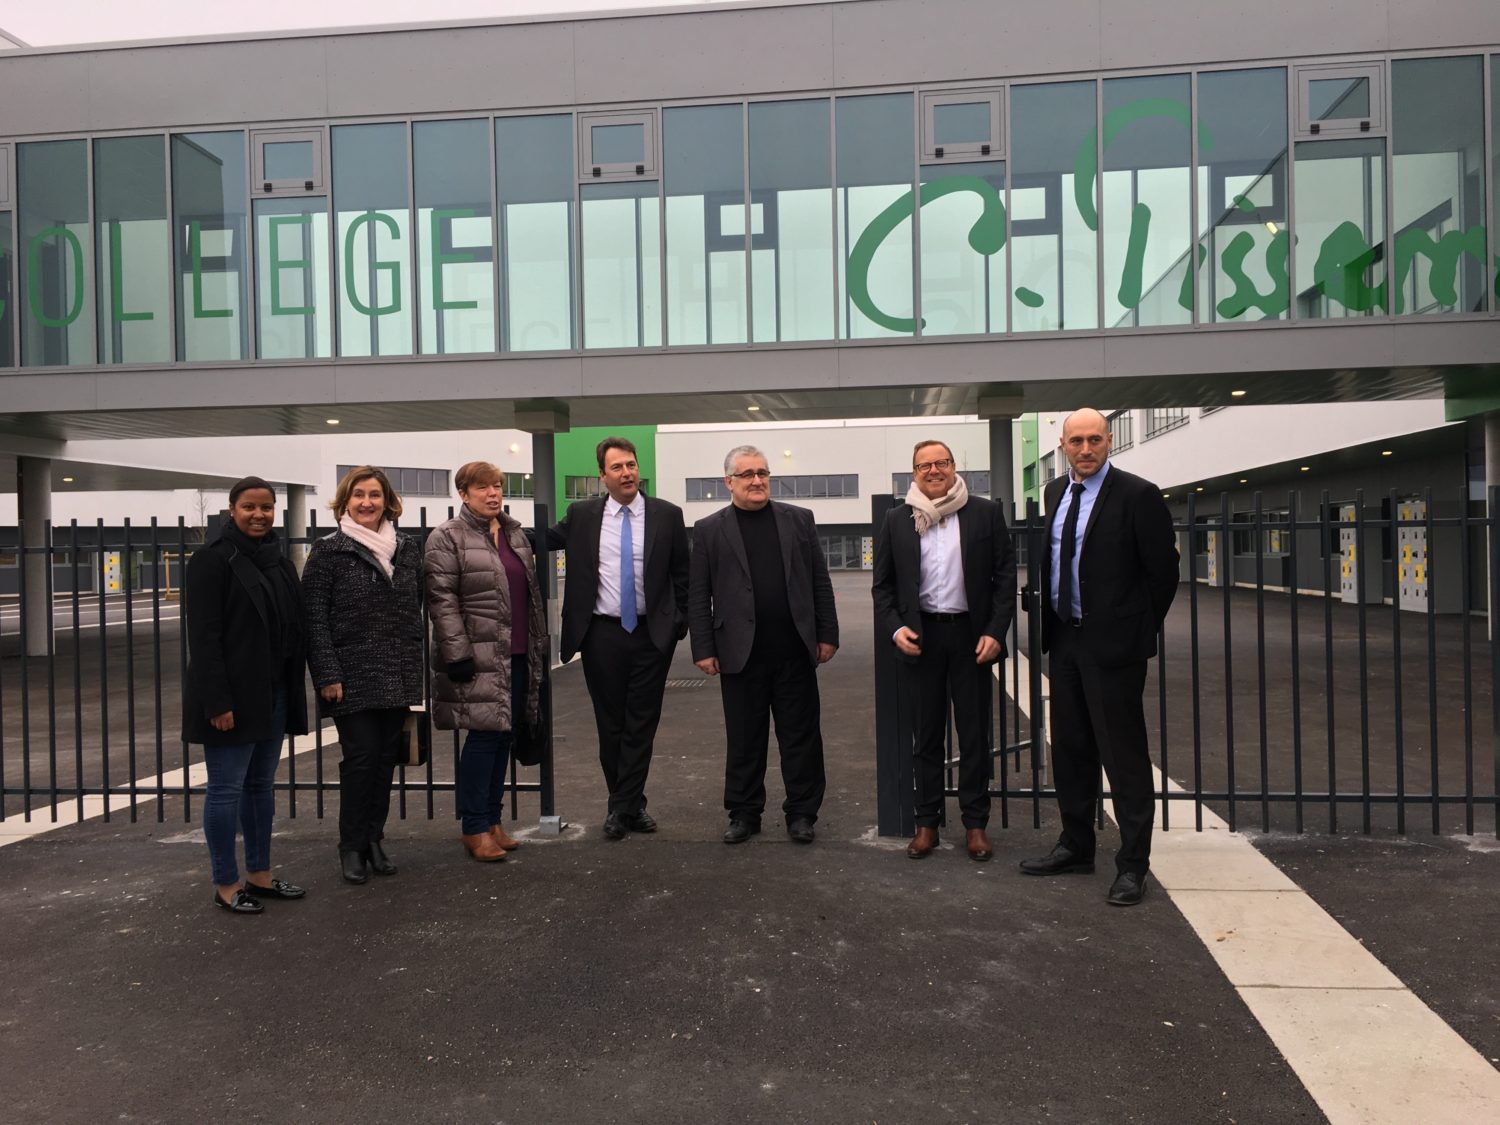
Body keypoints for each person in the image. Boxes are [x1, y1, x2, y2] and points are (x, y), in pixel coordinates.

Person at [1020, 408, 1179, 906]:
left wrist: (1135, 630)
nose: (1085, 449)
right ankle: (1076, 845)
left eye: (1094, 440)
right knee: (1069, 749)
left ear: (1109, 441)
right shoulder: (1054, 494)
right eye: (1075, 441)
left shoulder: (1138, 495)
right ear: (1062, 445)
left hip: (1113, 647)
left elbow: (1163, 574)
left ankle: (1133, 864)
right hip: (1064, 640)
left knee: (1123, 757)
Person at [872, 440, 1016, 862]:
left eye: (941, 463)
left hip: (971, 638)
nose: (933, 470)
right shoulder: (898, 520)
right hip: (922, 639)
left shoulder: (984, 513)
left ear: (954, 467)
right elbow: (883, 586)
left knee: (974, 737)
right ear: (913, 472)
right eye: (924, 465)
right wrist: (895, 627)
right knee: (927, 737)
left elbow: (1005, 578)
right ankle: (926, 824)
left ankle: (975, 826)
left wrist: (996, 631)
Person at [689, 445, 838, 845]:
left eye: (763, 473)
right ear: (729, 482)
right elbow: (698, 593)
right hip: (739, 652)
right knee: (744, 737)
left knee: (801, 738)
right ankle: (744, 813)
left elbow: (818, 581)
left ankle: (802, 813)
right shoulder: (708, 529)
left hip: (794, 649)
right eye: (748, 474)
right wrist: (702, 646)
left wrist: (828, 634)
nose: (757, 481)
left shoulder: (798, 520)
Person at [542, 437, 689, 840]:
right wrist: (495, 522)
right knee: (611, 724)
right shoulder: (583, 515)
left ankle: (620, 809)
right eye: (618, 467)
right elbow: (541, 540)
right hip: (601, 634)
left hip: (650, 635)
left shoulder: (667, 515)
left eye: (631, 465)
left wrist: (678, 623)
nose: (627, 473)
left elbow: (683, 574)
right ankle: (630, 805)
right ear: (603, 476)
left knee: (642, 724)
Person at [182, 476, 310, 915]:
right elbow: (204, 640)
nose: (259, 515)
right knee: (225, 791)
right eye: (250, 507)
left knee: (260, 787)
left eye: (267, 507)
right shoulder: (210, 562)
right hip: (231, 701)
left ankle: (259, 873)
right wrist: (217, 703)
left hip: (272, 694)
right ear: (232, 509)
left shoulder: (281, 564)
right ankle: (225, 882)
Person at [302, 466, 424, 885]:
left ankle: (374, 839)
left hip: (396, 672)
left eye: (375, 495)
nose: (367, 502)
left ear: (387, 501)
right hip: (349, 676)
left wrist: (415, 672)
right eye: (359, 495)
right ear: (346, 501)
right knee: (361, 759)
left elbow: (414, 612)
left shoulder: (406, 549)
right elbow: (314, 620)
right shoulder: (329, 551)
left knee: (385, 760)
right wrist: (327, 674)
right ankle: (350, 846)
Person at [424, 461, 547, 862]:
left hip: (517, 653)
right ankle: (474, 827)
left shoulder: (514, 534)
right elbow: (442, 601)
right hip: (475, 657)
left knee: (505, 736)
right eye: (482, 488)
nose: (493, 493)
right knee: (483, 739)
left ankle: (493, 821)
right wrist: (457, 653)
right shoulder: (447, 538)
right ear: (463, 493)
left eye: (497, 486)